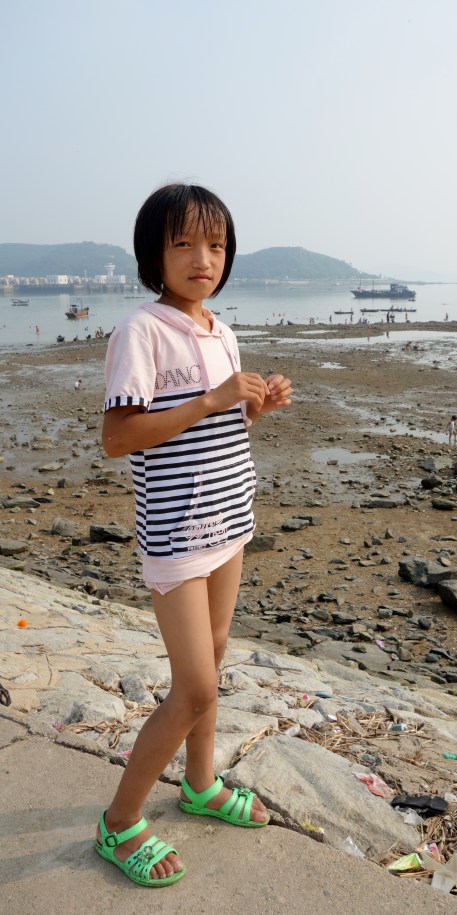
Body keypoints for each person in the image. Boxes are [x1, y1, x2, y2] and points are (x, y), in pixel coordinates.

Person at [97, 183, 292, 888]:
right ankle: (119, 821)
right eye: (183, 243)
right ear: (155, 254)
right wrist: (211, 397)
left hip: (228, 521)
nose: (202, 257)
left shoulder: (219, 329)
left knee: (212, 661)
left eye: (215, 244)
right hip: (177, 535)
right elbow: (118, 437)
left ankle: (202, 784)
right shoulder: (141, 331)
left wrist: (255, 403)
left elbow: (218, 427)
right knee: (197, 689)